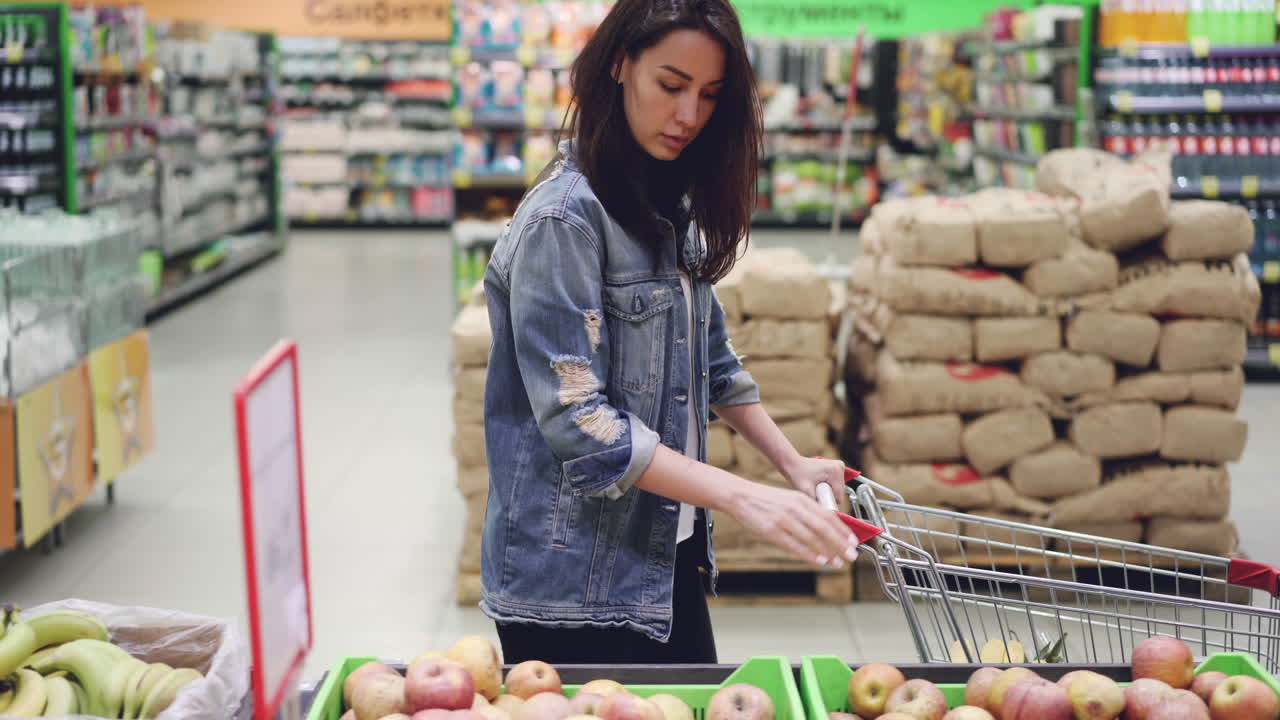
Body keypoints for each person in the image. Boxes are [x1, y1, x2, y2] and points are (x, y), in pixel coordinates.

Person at [479, 0, 858, 664]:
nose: (690, 115)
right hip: (571, 581)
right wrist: (746, 497)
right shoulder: (563, 221)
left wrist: (791, 463)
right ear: (620, 65)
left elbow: (708, 357)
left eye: (710, 95)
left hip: (662, 551)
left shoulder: (665, 200)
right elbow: (578, 422)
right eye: (671, 85)